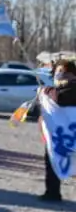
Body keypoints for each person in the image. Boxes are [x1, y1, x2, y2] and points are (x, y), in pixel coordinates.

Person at [38, 60, 76, 203]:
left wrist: (47, 92)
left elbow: (61, 98)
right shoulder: (56, 88)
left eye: (64, 72)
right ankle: (52, 192)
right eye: (58, 71)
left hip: (71, 135)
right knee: (53, 161)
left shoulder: (71, 89)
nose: (60, 75)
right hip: (58, 136)